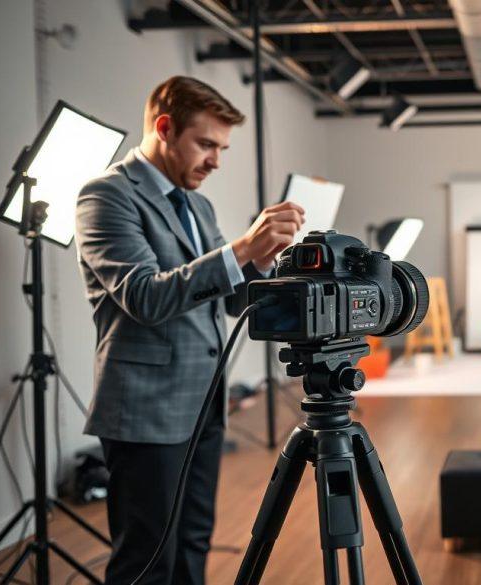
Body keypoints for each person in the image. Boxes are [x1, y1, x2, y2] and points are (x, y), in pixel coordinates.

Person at [75, 75, 304, 585]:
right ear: (164, 128)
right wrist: (243, 248)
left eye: (222, 147)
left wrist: (265, 261)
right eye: (206, 144)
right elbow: (146, 296)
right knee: (147, 558)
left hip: (203, 402)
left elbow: (229, 300)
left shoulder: (198, 205)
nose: (216, 160)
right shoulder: (106, 196)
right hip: (146, 408)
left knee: (194, 542)